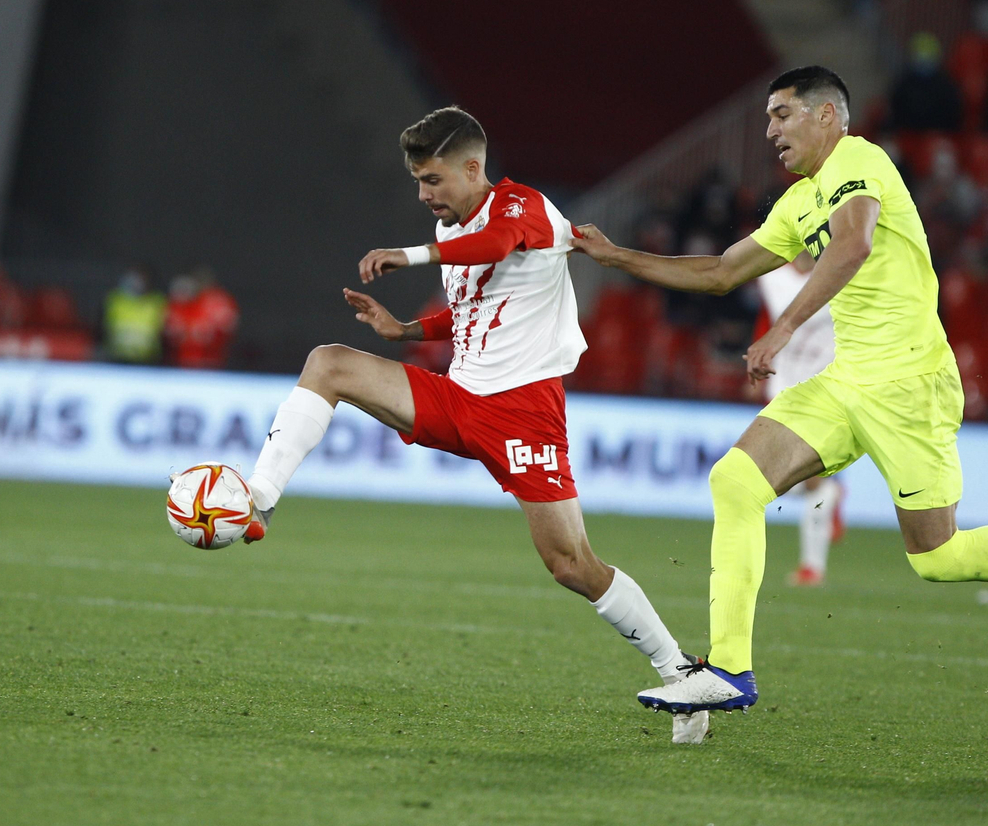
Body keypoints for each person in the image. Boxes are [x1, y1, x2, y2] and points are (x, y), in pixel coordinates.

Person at [570, 66, 988, 718]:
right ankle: (728, 670)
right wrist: (621, 258)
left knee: (938, 558)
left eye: (781, 114)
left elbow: (855, 243)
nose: (770, 130)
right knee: (736, 483)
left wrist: (781, 328)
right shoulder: (799, 202)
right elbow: (722, 271)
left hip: (910, 385)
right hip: (844, 382)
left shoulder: (860, 160)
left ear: (827, 115)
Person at [234, 106, 711, 744]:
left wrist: (410, 256)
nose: (425, 195)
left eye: (433, 181)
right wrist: (403, 330)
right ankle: (258, 499)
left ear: (472, 168)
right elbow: (468, 309)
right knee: (330, 364)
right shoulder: (458, 232)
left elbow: (498, 246)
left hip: (523, 412)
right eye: (418, 183)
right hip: (460, 399)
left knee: (570, 564)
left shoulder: (526, 210)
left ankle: (682, 675)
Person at [753, 249, 843, 587]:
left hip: (824, 389)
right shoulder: (772, 277)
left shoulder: (841, 274)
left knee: (812, 479)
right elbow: (767, 319)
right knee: (767, 480)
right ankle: (829, 494)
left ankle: (812, 567)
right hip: (782, 388)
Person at [887, 33, 962, 133]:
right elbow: (895, 106)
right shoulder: (904, 82)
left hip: (938, 134)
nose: (923, 63)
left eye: (927, 58)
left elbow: (952, 111)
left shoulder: (945, 84)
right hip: (906, 132)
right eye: (920, 57)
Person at [164, 268, 238, 369]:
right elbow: (172, 331)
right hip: (182, 361)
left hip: (212, 362)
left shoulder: (220, 301)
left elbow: (229, 326)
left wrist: (209, 331)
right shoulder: (184, 301)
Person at [103, 266, 165, 364]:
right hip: (118, 359)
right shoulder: (115, 300)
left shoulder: (157, 302)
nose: (136, 282)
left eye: (141, 278)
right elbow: (103, 329)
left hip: (149, 361)